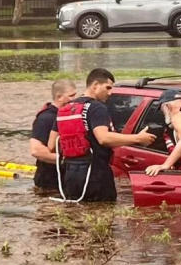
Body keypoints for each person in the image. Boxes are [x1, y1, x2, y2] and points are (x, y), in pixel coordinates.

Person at [51, 68, 154, 202]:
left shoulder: (67, 108)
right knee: (103, 216)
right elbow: (103, 138)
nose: (111, 92)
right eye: (108, 87)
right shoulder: (97, 107)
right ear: (95, 86)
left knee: (77, 217)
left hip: (71, 176)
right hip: (95, 175)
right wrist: (138, 139)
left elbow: (51, 145)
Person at [30, 78, 76, 192]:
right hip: (48, 182)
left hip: (65, 179)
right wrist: (67, 161)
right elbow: (36, 150)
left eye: (75, 95)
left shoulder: (70, 115)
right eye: (71, 96)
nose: (74, 99)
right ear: (59, 97)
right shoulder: (45, 118)